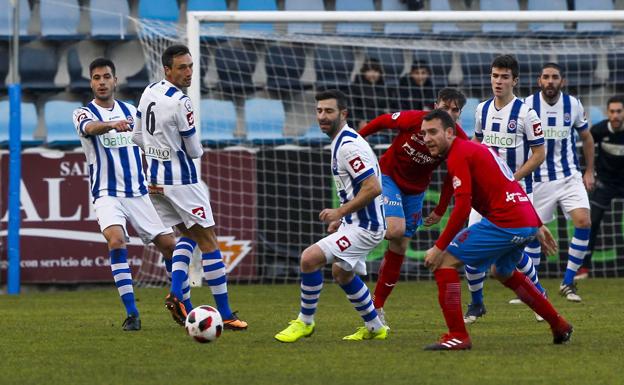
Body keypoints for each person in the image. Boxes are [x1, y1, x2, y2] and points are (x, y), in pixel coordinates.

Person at [421, 109, 573, 351]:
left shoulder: (459, 154)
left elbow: (461, 207)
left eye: (432, 132)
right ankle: (559, 324)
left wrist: (439, 247)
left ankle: (458, 335)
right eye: (423, 133)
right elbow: (511, 183)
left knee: (443, 263)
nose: (427, 138)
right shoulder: (477, 149)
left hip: (506, 221)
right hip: (523, 219)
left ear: (449, 133)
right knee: (503, 271)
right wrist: (536, 223)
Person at [132, 44, 247, 330]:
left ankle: (178, 296)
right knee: (209, 243)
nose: (188, 72)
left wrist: (158, 151)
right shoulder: (181, 102)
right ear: (167, 69)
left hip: (154, 180)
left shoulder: (148, 91)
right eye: (182, 67)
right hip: (182, 181)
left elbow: (136, 136)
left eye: (191, 66)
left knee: (186, 235)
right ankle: (226, 313)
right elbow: (195, 150)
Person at [274, 89, 389, 342]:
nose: (322, 116)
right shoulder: (342, 140)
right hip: (356, 223)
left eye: (329, 111)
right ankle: (375, 326)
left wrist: (340, 211)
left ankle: (305, 322)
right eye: (319, 111)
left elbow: (373, 187)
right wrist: (342, 217)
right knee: (341, 273)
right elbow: (358, 188)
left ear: (343, 114)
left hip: (366, 227)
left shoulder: (348, 146)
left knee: (309, 259)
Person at [72, 58, 177, 331]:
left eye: (106, 76)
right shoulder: (83, 113)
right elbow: (89, 129)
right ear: (91, 83)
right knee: (116, 241)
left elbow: (148, 146)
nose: (102, 82)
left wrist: (156, 178)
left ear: (115, 80)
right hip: (107, 193)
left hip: (139, 192)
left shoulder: (132, 111)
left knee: (170, 246)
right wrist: (111, 124)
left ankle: (181, 302)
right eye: (96, 77)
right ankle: (132, 314)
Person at [357, 88, 469, 325]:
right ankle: (356, 225)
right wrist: (356, 139)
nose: (448, 112)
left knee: (400, 245)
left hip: (416, 191)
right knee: (395, 230)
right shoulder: (416, 119)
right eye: (444, 107)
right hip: (388, 176)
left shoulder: (458, 139)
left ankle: (377, 307)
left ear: (459, 114)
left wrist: (440, 208)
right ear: (434, 105)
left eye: (454, 109)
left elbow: (452, 176)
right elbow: (384, 121)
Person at [463, 54, 546, 323]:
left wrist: (512, 178)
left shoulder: (526, 113)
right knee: (471, 248)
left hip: (517, 193)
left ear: (515, 80)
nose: (498, 81)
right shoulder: (481, 110)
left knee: (515, 255)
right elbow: (477, 143)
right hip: (484, 195)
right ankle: (476, 304)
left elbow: (539, 153)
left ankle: (538, 296)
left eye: (504, 77)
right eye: (494, 76)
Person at [524, 63, 594, 302]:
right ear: (539, 81)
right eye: (546, 77)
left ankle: (568, 282)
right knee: (531, 234)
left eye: (555, 77)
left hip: (569, 176)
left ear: (561, 81)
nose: (550, 81)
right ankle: (532, 288)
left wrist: (589, 171)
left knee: (584, 221)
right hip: (538, 179)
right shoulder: (526, 105)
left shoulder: (573, 104)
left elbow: (586, 138)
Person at [582, 96, 624, 276]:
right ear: (607, 113)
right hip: (605, 183)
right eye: (612, 112)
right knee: (592, 221)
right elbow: (586, 149)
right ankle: (584, 266)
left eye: (619, 112)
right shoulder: (598, 130)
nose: (615, 116)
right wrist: (589, 172)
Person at [349, 59, 393, 130]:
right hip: (362, 123)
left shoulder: (385, 89)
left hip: (380, 122)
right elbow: (352, 109)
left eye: (376, 71)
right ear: (364, 72)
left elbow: (388, 107)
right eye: (369, 71)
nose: (372, 74)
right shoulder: (356, 87)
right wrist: (359, 121)